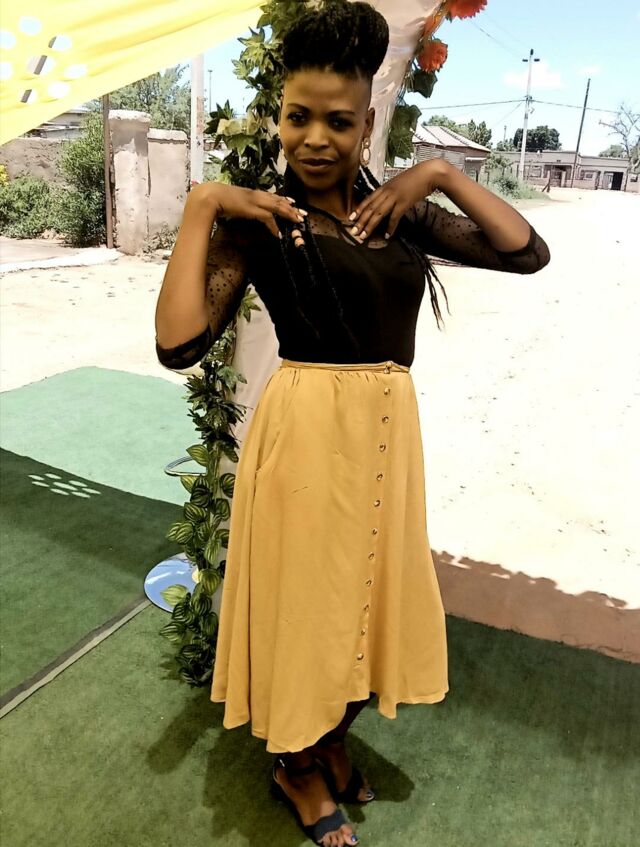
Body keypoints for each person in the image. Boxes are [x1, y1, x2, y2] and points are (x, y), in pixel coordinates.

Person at [154, 3, 550, 844]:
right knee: (310, 608)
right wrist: (203, 205)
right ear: (279, 117)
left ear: (367, 123)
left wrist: (435, 174)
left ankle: (330, 738)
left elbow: (525, 251)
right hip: (304, 442)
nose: (315, 138)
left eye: (338, 121)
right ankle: (296, 767)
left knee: (370, 601)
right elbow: (177, 344)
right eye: (298, 117)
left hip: (385, 440)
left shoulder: (394, 213)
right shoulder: (262, 222)